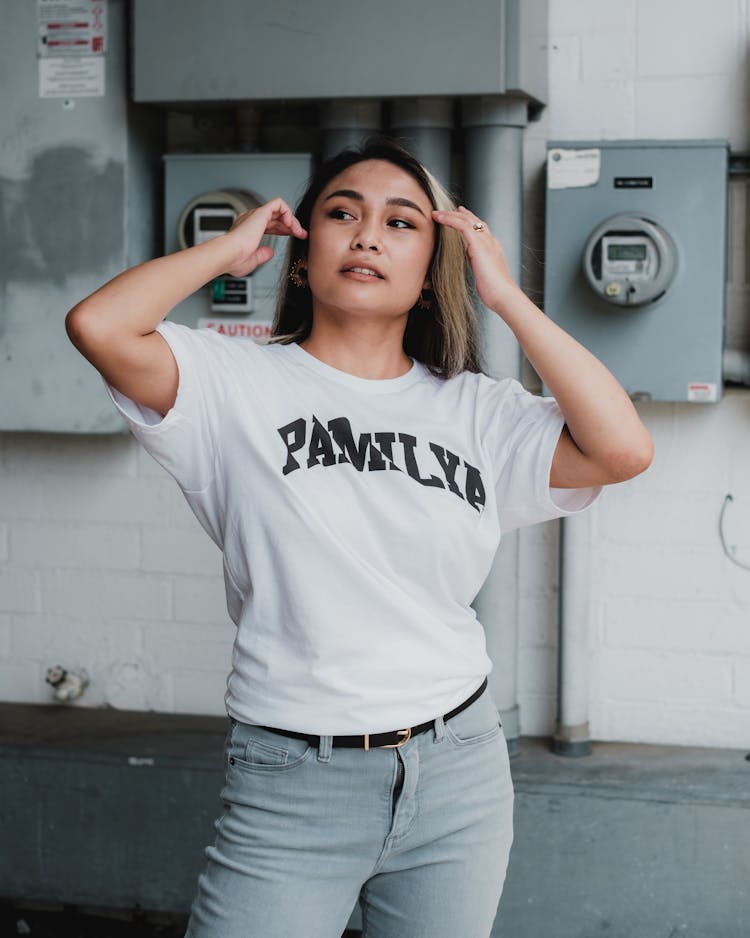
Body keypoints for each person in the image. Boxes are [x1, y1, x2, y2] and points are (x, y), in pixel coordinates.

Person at [66, 138, 653, 938]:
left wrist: (507, 298)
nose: (368, 234)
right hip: (292, 776)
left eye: (401, 223)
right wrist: (228, 251)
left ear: (428, 273)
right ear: (303, 259)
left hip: (458, 767)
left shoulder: (477, 410)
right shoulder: (232, 381)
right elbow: (98, 324)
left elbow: (623, 450)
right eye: (342, 214)